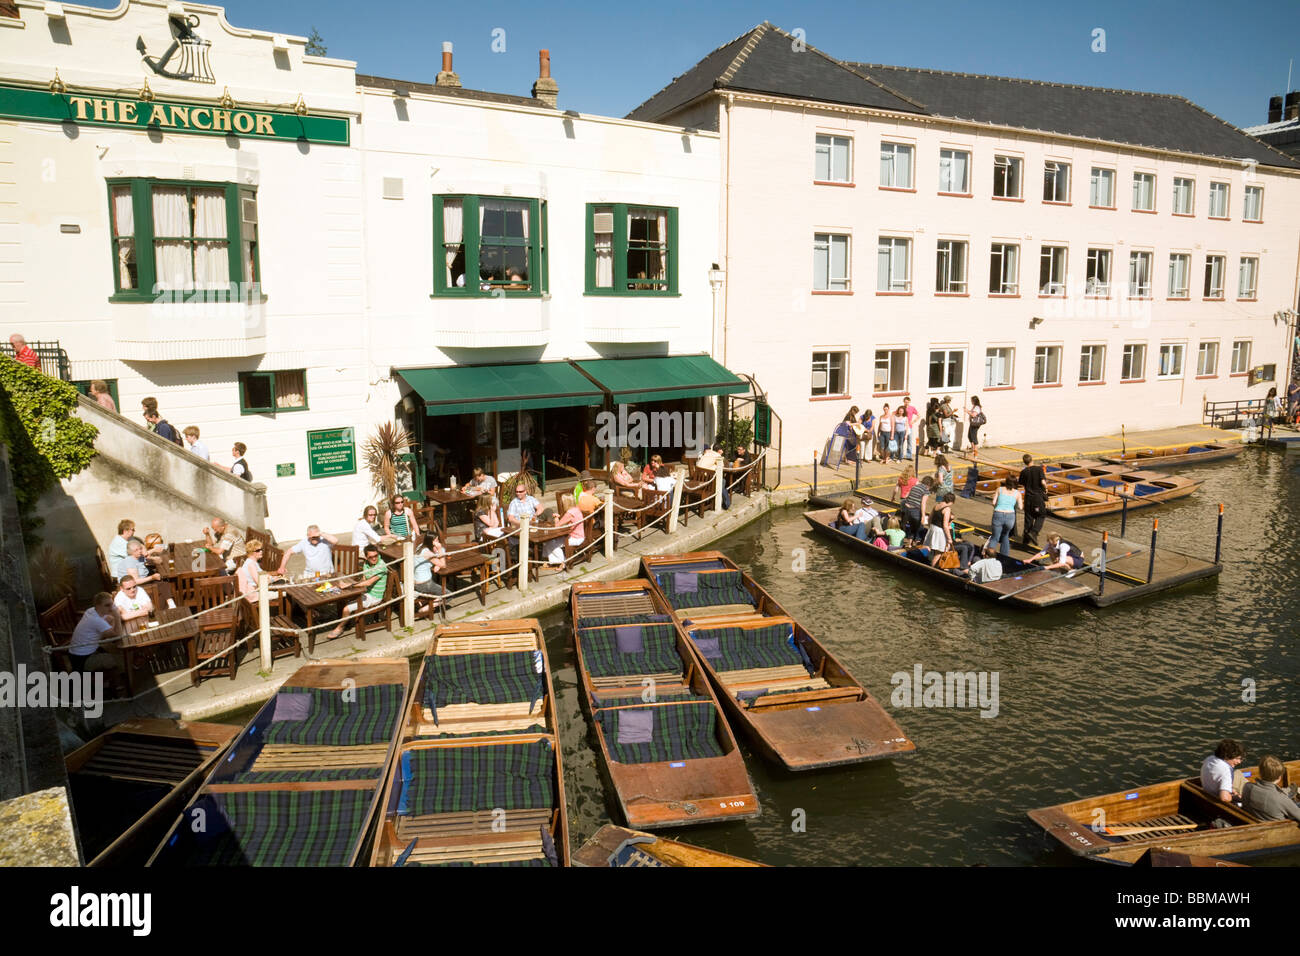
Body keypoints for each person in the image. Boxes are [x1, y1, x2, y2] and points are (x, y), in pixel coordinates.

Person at [326, 545, 388, 640]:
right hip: (366, 592)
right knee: (341, 597)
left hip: (374, 597)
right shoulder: (366, 563)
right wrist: (349, 586)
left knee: (346, 608)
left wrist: (349, 586)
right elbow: (364, 579)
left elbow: (368, 582)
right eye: (371, 557)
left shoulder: (381, 566)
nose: (374, 558)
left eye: (376, 555)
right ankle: (346, 621)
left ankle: (340, 628)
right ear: (366, 557)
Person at [68, 592, 126, 691]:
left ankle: (108, 681)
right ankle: (111, 684)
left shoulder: (91, 611)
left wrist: (110, 629)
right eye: (107, 605)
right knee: (122, 658)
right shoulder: (96, 620)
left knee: (117, 650)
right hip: (83, 661)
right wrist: (116, 615)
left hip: (77, 654)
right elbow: (119, 636)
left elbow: (109, 622)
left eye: (112, 604)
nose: (111, 608)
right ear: (97, 605)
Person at [1241, 755, 1300, 822]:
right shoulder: (1281, 798)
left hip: (1254, 823)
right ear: (1279, 777)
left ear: (1260, 773)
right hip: (1280, 829)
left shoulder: (1247, 787)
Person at [1200, 739, 1245, 804]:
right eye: (1237, 759)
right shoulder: (1226, 771)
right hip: (1219, 802)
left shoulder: (1210, 759)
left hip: (1208, 792)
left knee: (1238, 773)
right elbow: (1224, 798)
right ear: (1227, 756)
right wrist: (1236, 797)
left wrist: (1230, 790)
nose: (1239, 762)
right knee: (1240, 775)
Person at [1018, 454, 1048, 548]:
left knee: (1028, 518)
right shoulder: (1039, 469)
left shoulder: (1023, 472)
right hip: (1037, 497)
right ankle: (1034, 532)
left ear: (1024, 462)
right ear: (1032, 460)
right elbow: (1043, 482)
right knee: (1041, 515)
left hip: (1028, 497)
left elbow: (1021, 483)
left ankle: (1025, 541)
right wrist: (1046, 488)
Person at [412, 532, 447, 612]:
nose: (438, 542)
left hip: (416, 581)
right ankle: (424, 609)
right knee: (448, 595)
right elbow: (444, 565)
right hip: (424, 584)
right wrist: (439, 549)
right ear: (431, 542)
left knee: (437, 586)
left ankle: (424, 602)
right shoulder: (427, 553)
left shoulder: (421, 546)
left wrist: (437, 564)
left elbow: (442, 551)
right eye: (436, 540)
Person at [989, 477, 1022, 557]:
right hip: (1010, 516)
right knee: (1005, 535)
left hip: (998, 513)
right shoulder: (1017, 493)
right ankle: (1004, 557)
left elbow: (993, 502)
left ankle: (989, 555)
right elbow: (1020, 507)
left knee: (995, 537)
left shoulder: (999, 489)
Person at [902, 474, 933, 540]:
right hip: (914, 509)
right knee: (920, 527)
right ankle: (917, 542)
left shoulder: (915, 486)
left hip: (906, 508)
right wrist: (923, 516)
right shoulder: (926, 490)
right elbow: (923, 503)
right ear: (929, 485)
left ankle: (910, 542)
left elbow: (907, 496)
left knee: (911, 526)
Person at [901, 396, 919, 460]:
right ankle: (901, 455)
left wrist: (913, 421)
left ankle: (909, 456)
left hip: (909, 426)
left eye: (908, 402)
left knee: (910, 441)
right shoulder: (901, 408)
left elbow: (918, 415)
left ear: (909, 402)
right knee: (902, 441)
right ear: (903, 402)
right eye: (905, 402)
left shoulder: (912, 408)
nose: (906, 403)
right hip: (902, 427)